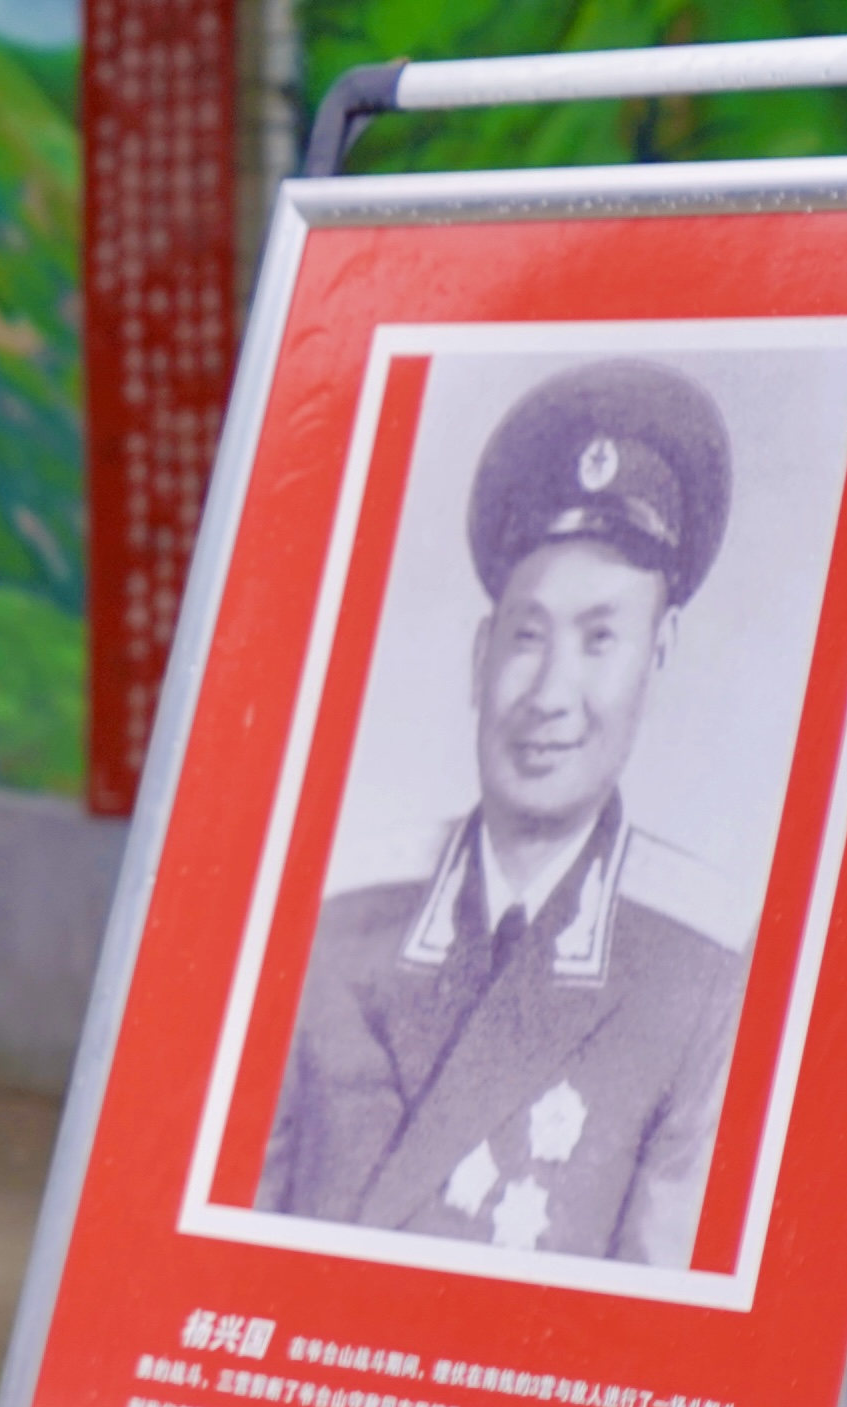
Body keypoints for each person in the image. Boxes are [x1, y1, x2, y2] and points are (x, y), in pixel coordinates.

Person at [258, 358, 749, 1268]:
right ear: (482, 657)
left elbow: (662, 1343)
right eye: (527, 637)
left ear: (658, 652)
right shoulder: (333, 928)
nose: (552, 694)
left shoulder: (698, 984)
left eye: (600, 638)